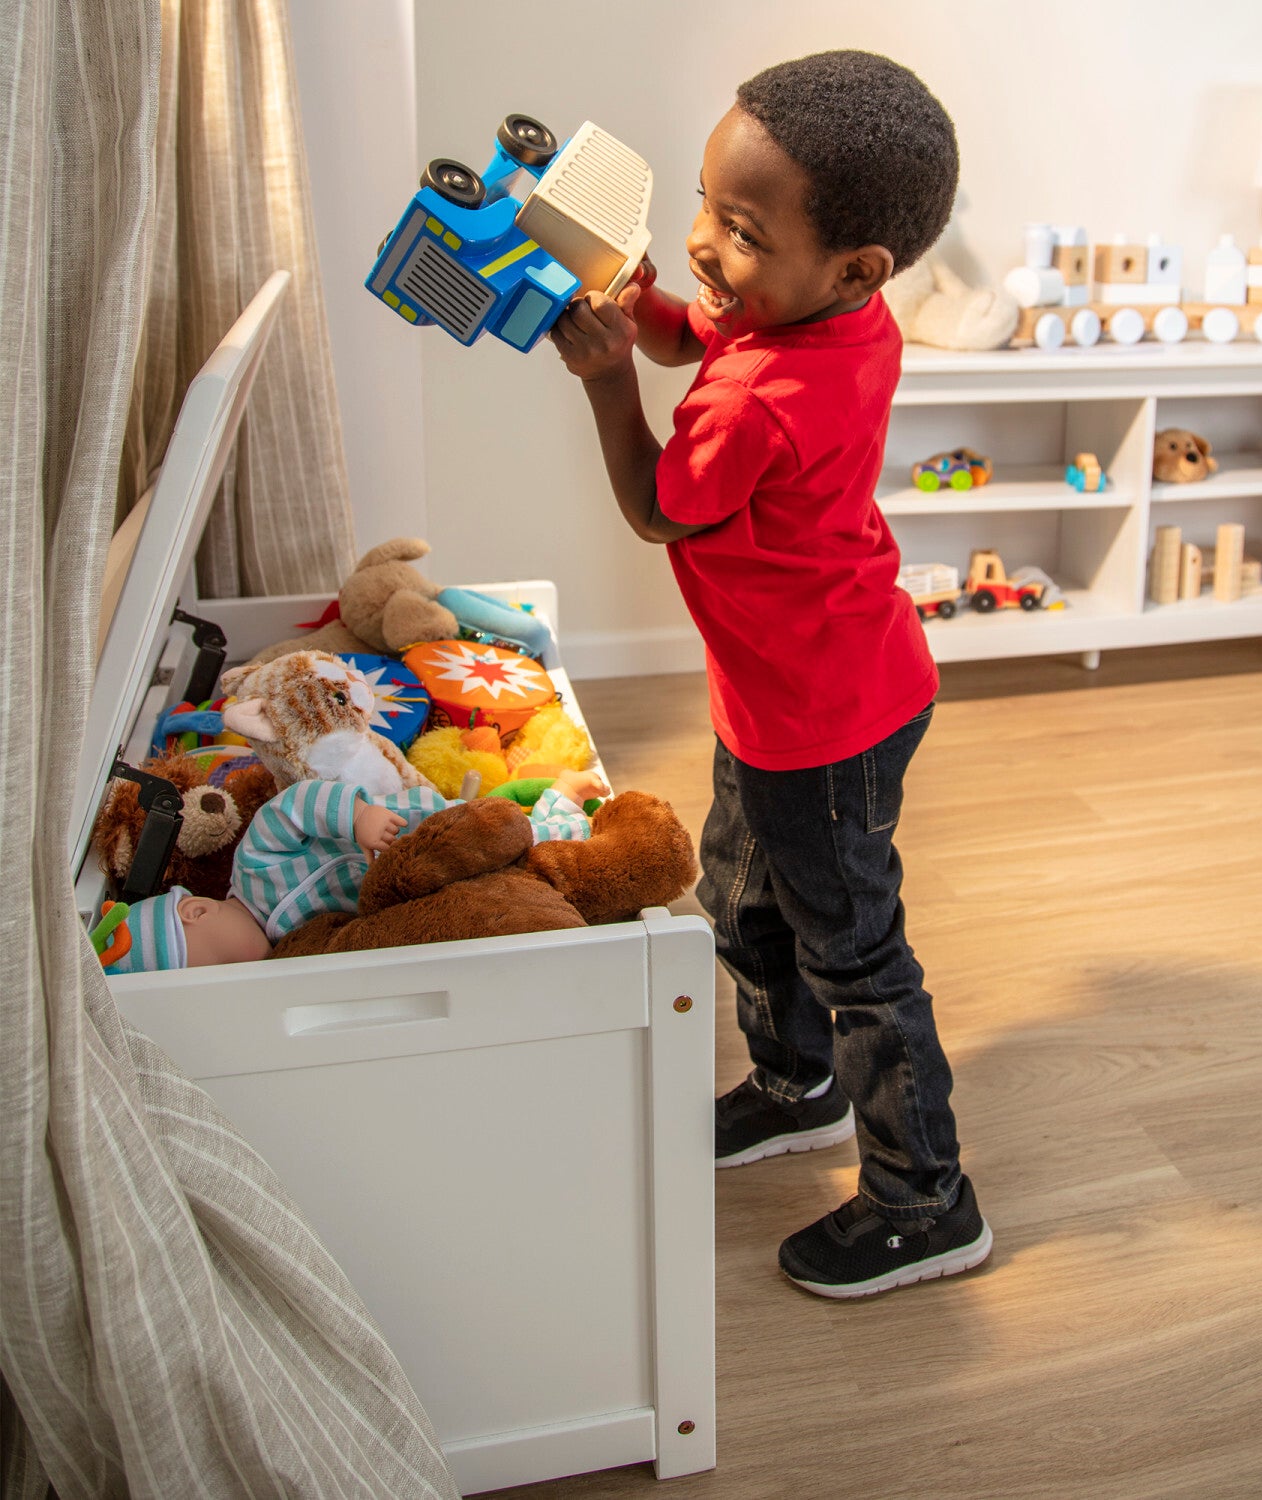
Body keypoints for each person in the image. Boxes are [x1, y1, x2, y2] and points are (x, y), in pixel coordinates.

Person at [550, 50, 990, 1298]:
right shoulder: (830, 317)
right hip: (789, 690)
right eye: (705, 204)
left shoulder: (757, 404)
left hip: (825, 719)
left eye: (741, 233)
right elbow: (695, 324)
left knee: (856, 956)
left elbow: (658, 507)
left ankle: (926, 1200)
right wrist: (627, 294)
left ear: (856, 269)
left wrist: (604, 377)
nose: (701, 244)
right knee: (742, 897)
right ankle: (796, 1087)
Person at [99, 770, 606, 971]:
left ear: (196, 911)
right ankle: (561, 806)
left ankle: (568, 805)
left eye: (217, 964)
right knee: (516, 874)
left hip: (416, 831)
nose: (232, 973)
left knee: (514, 838)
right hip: (420, 886)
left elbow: (293, 805)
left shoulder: (253, 869)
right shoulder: (291, 950)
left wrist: (358, 816)